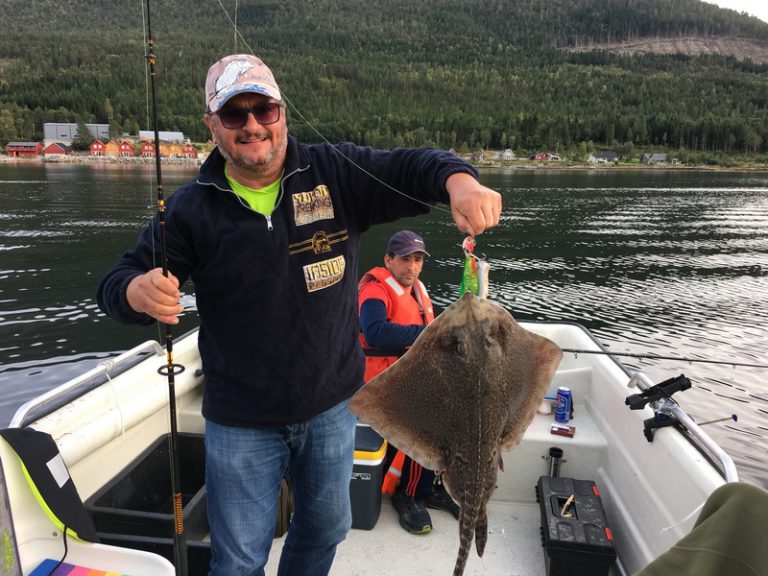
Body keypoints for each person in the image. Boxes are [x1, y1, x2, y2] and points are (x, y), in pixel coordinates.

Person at [97, 53, 501, 576]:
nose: (251, 125)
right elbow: (117, 281)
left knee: (326, 529)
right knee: (238, 559)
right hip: (241, 417)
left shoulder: (336, 173)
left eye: (263, 109)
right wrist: (136, 292)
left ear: (282, 112)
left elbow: (412, 166)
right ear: (212, 126)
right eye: (234, 114)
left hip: (331, 405)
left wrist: (460, 181)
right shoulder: (190, 210)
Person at [358, 230, 460, 534]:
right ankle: (409, 494)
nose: (412, 267)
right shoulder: (375, 290)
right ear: (388, 260)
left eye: (417, 260)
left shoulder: (417, 290)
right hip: (381, 383)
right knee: (425, 419)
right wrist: (429, 335)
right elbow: (375, 332)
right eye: (405, 259)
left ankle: (429, 486)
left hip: (408, 376)